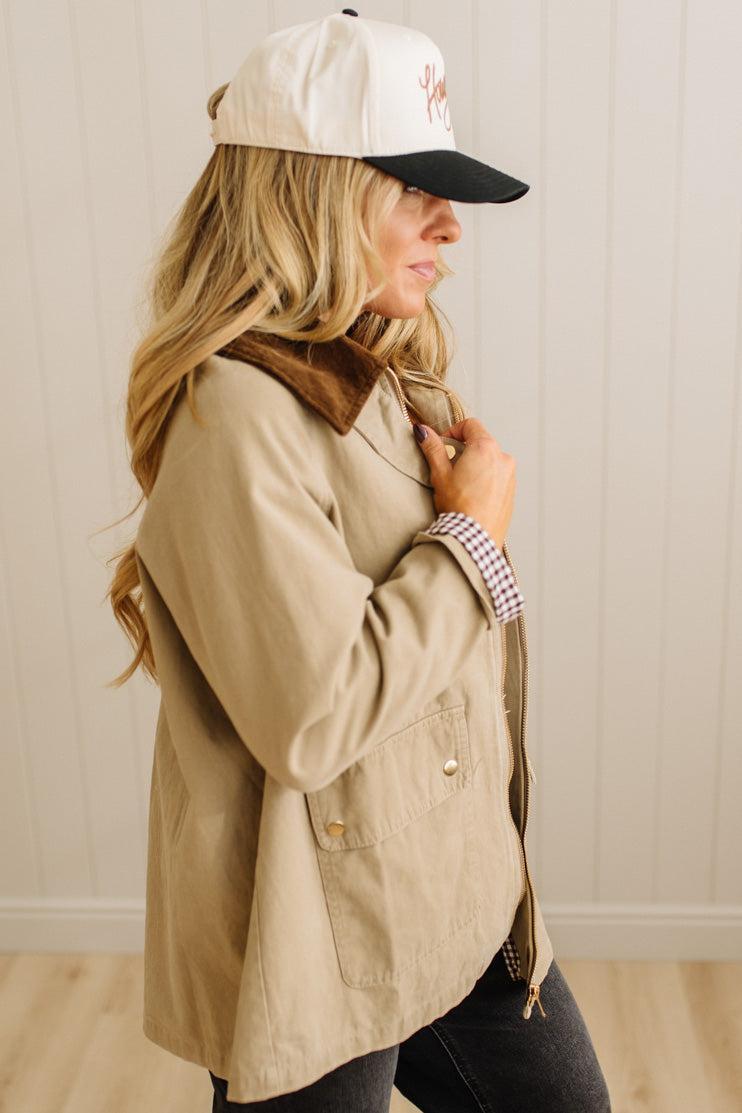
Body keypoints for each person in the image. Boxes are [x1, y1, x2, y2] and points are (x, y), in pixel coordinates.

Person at [105, 8, 612, 1111]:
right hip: (320, 929)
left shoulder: (369, 366)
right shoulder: (230, 413)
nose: (450, 225)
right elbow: (314, 715)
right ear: (310, 196)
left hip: (455, 888)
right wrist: (470, 536)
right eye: (412, 189)